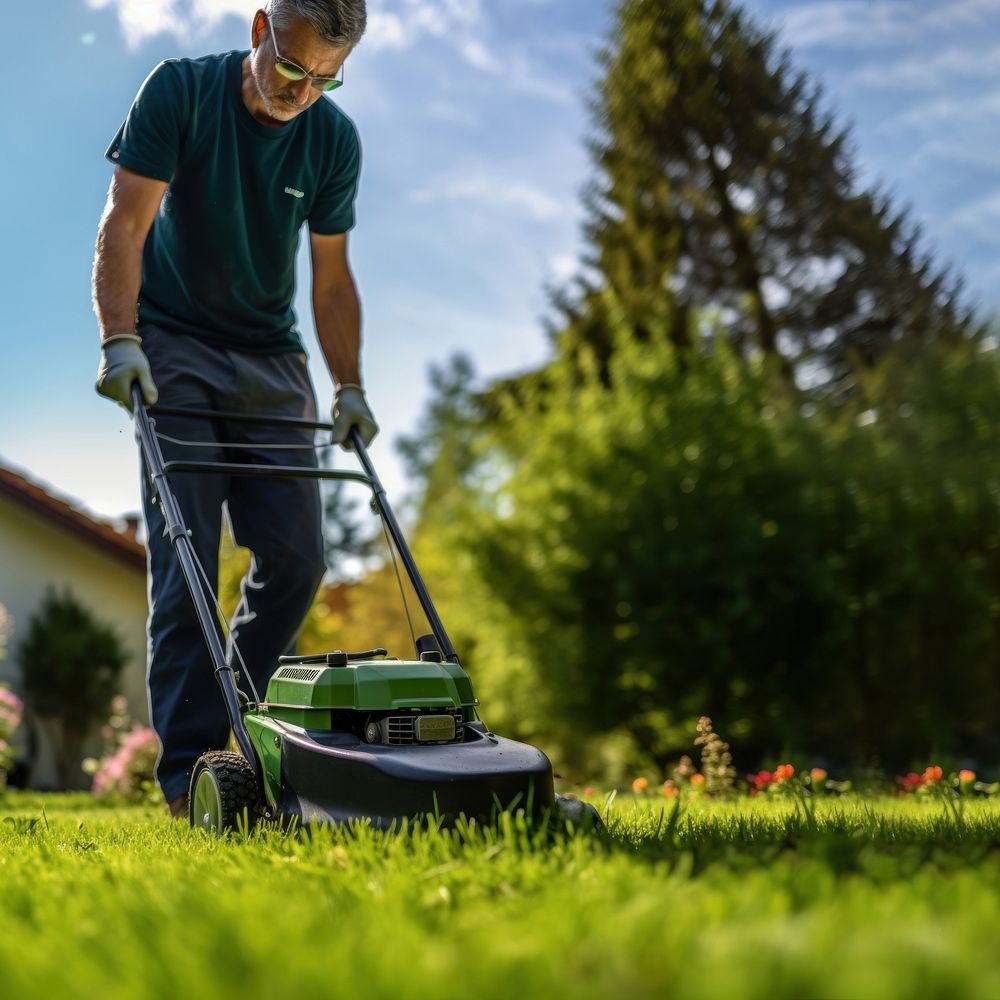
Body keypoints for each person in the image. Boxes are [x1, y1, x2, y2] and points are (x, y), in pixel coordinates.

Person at [91, 0, 376, 818]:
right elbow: (127, 222)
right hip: (175, 345)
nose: (303, 91)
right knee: (187, 564)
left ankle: (233, 737)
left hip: (272, 359)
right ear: (260, 30)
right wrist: (120, 339)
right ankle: (188, 781)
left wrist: (349, 386)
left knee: (298, 562)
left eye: (325, 77)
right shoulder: (180, 93)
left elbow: (330, 280)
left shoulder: (332, 139)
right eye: (292, 66)